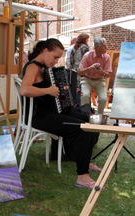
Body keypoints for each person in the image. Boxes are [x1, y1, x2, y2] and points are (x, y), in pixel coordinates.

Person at [20, 38, 102, 190]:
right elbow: (24, 89)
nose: (56, 61)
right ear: (45, 51)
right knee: (81, 128)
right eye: (55, 57)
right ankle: (82, 177)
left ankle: (84, 161)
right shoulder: (33, 67)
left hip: (49, 112)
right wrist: (48, 91)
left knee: (88, 120)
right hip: (39, 117)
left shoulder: (43, 67)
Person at [78, 37, 112, 114]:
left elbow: (108, 75)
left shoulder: (107, 57)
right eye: (104, 46)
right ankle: (85, 114)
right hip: (86, 79)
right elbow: (79, 72)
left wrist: (102, 72)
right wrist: (89, 68)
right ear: (97, 47)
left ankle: (99, 116)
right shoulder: (87, 55)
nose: (106, 47)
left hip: (99, 80)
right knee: (85, 95)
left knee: (103, 99)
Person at [65, 33, 90, 105]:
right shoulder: (85, 48)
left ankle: (75, 105)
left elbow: (70, 61)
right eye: (87, 39)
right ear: (84, 39)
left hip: (74, 70)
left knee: (76, 89)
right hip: (82, 70)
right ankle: (83, 108)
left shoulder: (73, 47)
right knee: (83, 90)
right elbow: (87, 59)